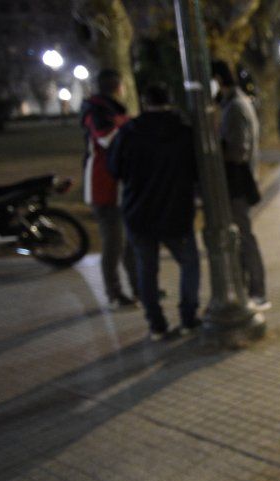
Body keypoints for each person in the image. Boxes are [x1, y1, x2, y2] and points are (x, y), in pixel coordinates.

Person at [107, 83, 200, 340]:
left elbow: (114, 168)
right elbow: (196, 171)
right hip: (176, 211)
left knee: (146, 269)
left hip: (138, 212)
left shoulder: (128, 132)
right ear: (170, 101)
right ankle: (189, 317)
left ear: (144, 102)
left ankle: (157, 325)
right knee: (189, 263)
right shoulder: (183, 132)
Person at [211, 60, 270, 311]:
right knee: (241, 236)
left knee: (244, 236)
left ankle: (257, 292)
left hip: (237, 182)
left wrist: (215, 152)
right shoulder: (233, 103)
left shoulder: (235, 106)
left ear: (217, 79)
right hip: (237, 181)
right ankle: (247, 288)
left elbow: (238, 151)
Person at [80, 68, 138, 309]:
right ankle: (114, 293)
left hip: (117, 186)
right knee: (114, 244)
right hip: (103, 187)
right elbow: (107, 138)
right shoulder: (97, 112)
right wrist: (127, 124)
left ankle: (139, 287)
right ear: (118, 87)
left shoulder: (106, 110)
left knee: (128, 243)